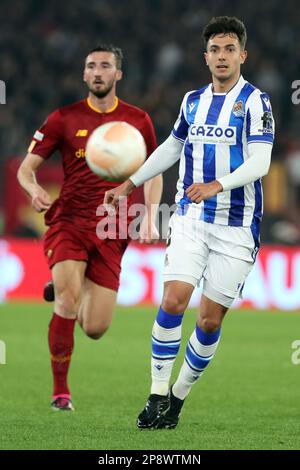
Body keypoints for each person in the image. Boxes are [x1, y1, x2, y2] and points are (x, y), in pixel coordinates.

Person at [104, 16, 274, 429]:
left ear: (242, 55)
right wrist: (130, 182)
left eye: (229, 49)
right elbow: (172, 147)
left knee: (209, 321)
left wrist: (218, 184)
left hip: (236, 225)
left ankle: (176, 400)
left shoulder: (255, 102)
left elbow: (261, 162)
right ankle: (155, 396)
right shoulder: (192, 101)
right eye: (215, 49)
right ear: (205, 57)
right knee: (173, 301)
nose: (222, 56)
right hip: (191, 218)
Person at [17, 45, 163, 411]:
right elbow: (25, 169)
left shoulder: (138, 120)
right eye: (91, 66)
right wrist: (34, 189)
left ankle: (69, 283)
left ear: (118, 75)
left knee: (95, 328)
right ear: (84, 75)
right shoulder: (63, 119)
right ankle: (60, 393)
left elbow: (155, 169)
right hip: (70, 220)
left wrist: (149, 214)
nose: (98, 72)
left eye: (106, 66)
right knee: (67, 301)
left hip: (114, 228)